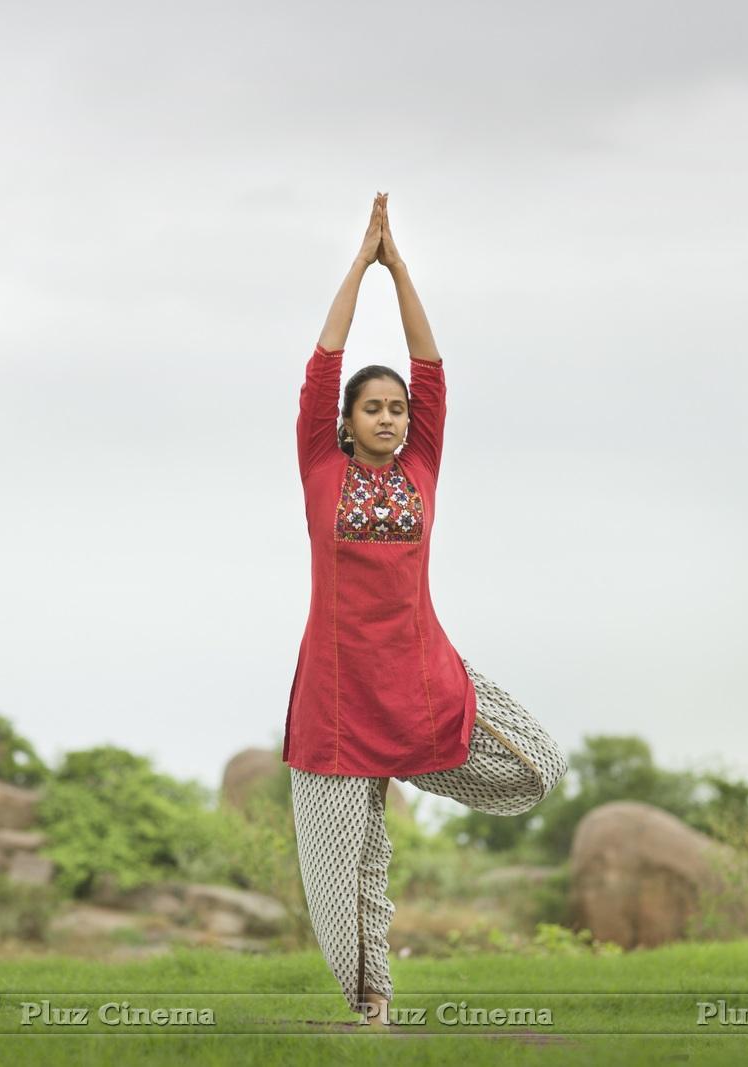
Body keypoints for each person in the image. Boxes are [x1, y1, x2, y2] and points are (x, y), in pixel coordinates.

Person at [282, 193, 569, 1029]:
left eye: (397, 408)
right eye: (372, 407)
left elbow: (432, 366)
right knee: (348, 873)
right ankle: (372, 1009)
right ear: (343, 422)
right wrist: (356, 268)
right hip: (337, 703)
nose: (388, 415)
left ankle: (411, 755)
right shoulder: (320, 469)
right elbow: (323, 362)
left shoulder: (423, 465)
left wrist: (400, 270)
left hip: (421, 683)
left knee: (538, 766)